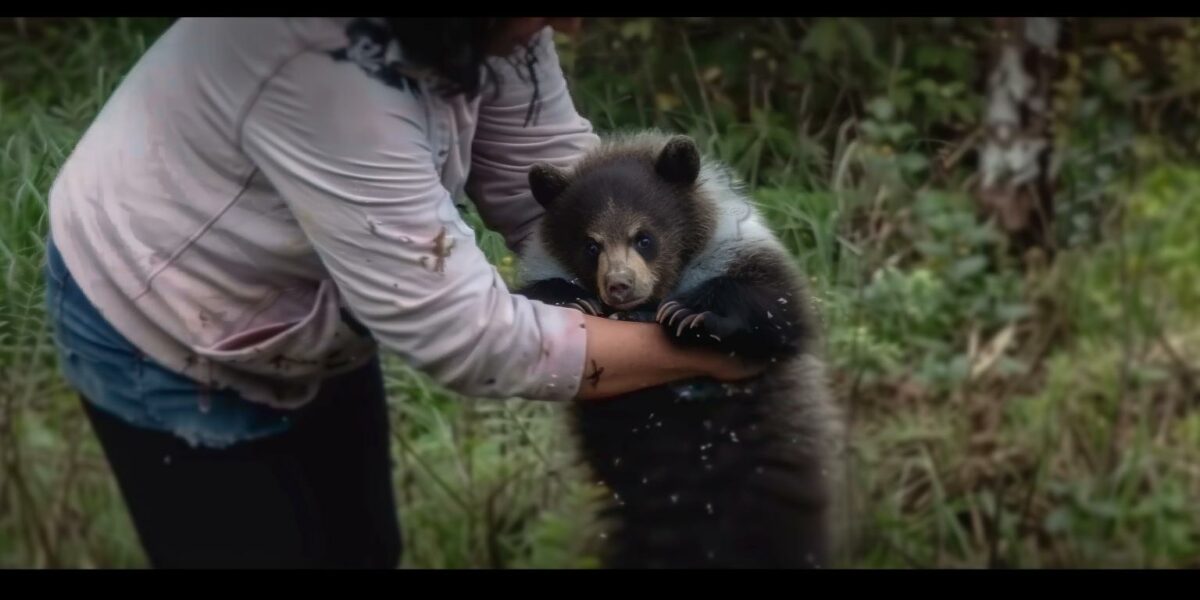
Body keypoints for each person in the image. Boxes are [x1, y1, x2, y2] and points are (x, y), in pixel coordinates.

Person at [43, 17, 759, 568]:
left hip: (321, 301)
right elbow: (471, 337)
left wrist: (720, 276)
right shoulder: (321, 67)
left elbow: (543, 179)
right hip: (163, 313)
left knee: (360, 548)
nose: (572, 25)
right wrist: (708, 353)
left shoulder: (484, 25)